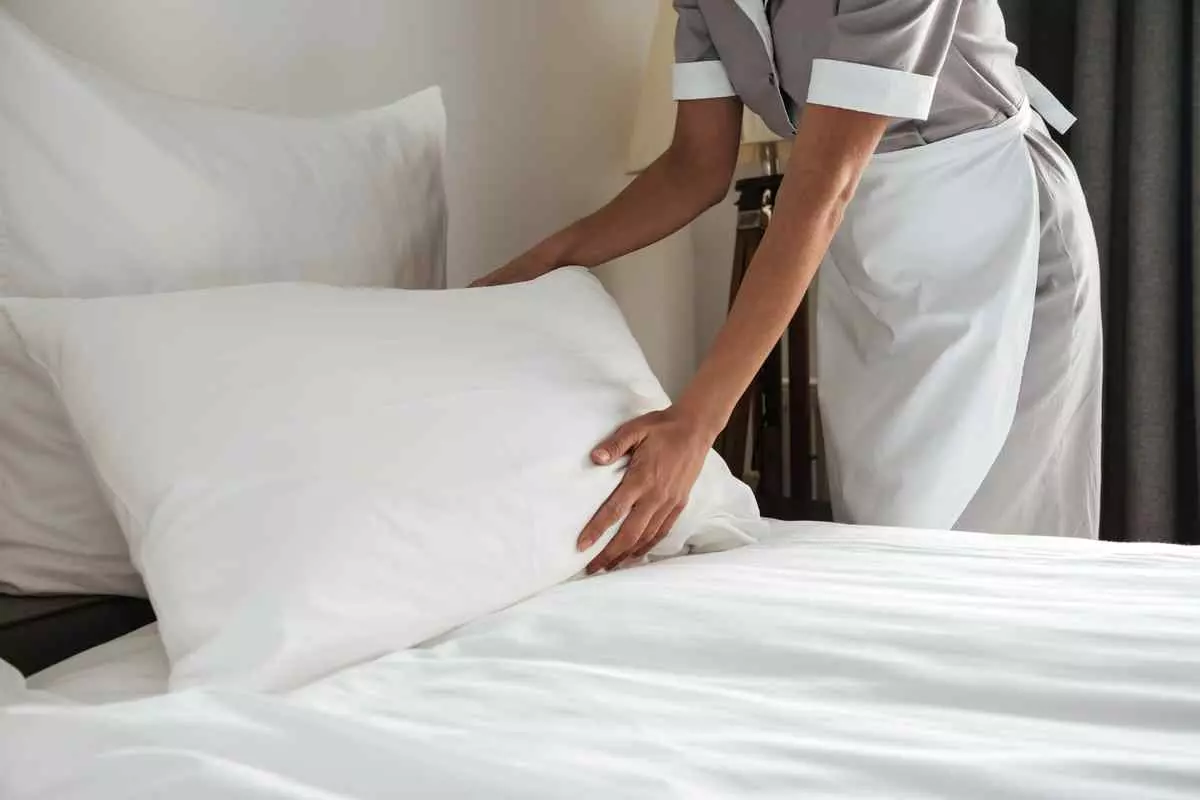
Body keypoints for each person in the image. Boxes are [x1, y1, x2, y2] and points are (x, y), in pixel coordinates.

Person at [472, 0, 1103, 573]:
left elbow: (821, 187)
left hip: (993, 223)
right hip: (865, 246)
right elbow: (695, 167)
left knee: (998, 548)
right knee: (884, 536)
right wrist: (537, 265)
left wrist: (695, 423)